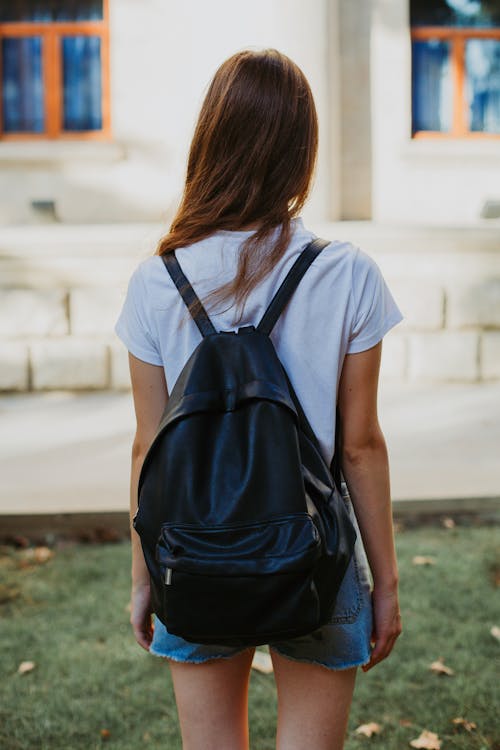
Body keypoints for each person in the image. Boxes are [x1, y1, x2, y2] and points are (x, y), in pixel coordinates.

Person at [115, 48, 403, 750]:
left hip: (193, 548)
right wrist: (385, 583)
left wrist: (144, 576)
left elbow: (149, 446)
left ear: (210, 140)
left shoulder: (158, 280)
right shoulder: (346, 274)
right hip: (315, 551)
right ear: (301, 150)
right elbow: (360, 445)